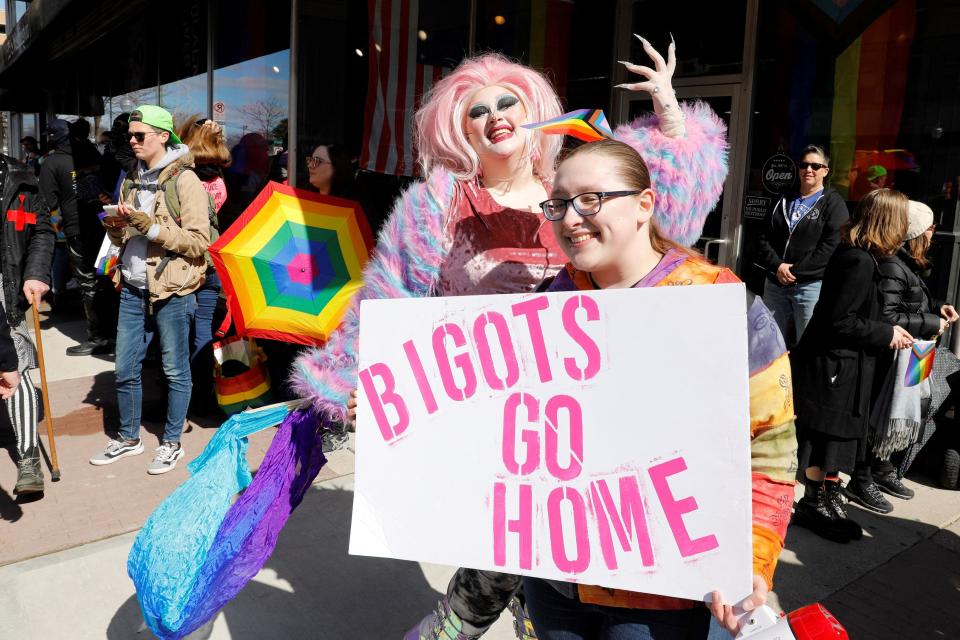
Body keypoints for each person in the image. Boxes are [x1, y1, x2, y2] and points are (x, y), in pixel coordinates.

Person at [292, 39, 728, 640]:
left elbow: (658, 232)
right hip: (482, 399)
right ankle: (468, 619)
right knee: (506, 532)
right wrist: (354, 381)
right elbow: (388, 297)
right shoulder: (436, 205)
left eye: (508, 101)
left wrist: (674, 125)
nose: (494, 115)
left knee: (559, 537)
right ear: (460, 129)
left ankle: (496, 621)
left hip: (581, 397)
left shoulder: (576, 187)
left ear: (534, 113)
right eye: (477, 109)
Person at [518, 139, 796, 639]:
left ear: (645, 204)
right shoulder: (548, 301)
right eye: (559, 203)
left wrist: (751, 563)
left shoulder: (722, 306)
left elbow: (771, 453)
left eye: (591, 199)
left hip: (661, 592)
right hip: (555, 581)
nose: (571, 217)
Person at [88, 105, 210, 474]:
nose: (133, 141)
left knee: (175, 371)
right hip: (132, 287)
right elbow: (126, 235)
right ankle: (129, 438)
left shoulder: (185, 181)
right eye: (130, 136)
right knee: (124, 369)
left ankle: (172, 443)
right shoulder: (131, 177)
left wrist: (151, 227)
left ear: (163, 136)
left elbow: (198, 243)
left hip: (173, 290)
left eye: (140, 135)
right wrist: (115, 228)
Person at [791, 188, 913, 543]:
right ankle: (814, 502)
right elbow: (838, 321)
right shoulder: (858, 262)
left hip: (843, 366)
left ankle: (827, 496)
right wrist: (885, 332)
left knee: (835, 441)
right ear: (889, 221)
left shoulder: (862, 257)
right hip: (834, 368)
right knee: (825, 437)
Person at [850, 200, 960, 513]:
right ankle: (862, 476)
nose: (932, 233)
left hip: (914, 351)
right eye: (928, 227)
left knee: (910, 410)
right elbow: (888, 315)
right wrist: (932, 322)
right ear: (914, 231)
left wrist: (935, 307)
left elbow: (910, 301)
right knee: (886, 415)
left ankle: (882, 468)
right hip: (898, 353)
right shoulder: (893, 264)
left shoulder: (906, 263)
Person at [0, 153, 55, 495]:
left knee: (14, 365)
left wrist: (35, 273)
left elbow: (43, 231)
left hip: (8, 287)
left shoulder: (22, 178)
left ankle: (28, 456)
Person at [755, 144, 849, 346]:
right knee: (770, 344)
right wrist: (778, 266)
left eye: (815, 166)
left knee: (807, 344)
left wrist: (796, 271)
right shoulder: (782, 198)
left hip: (809, 287)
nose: (809, 170)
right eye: (804, 165)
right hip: (775, 284)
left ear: (825, 171)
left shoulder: (833, 203)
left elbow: (830, 248)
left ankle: (801, 379)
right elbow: (763, 237)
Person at [38, 118, 111, 356]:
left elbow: (47, 202)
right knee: (108, 278)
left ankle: (98, 337)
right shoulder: (91, 152)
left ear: (51, 137)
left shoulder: (52, 161)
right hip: (105, 225)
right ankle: (114, 334)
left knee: (87, 281)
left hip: (77, 229)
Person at [177, 115, 230, 416]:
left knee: (177, 331)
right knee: (204, 331)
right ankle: (205, 394)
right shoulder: (221, 177)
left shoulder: (183, 178)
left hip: (185, 263)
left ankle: (185, 394)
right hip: (212, 262)